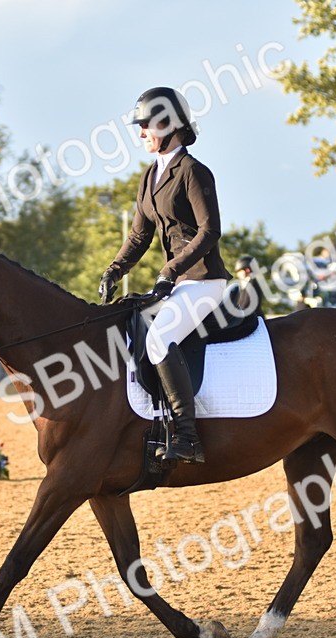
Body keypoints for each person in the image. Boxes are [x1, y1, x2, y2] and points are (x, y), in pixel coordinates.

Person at [98, 87, 230, 464]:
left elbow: (209, 231)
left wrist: (170, 271)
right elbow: (139, 235)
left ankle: (188, 436)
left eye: (146, 126)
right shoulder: (149, 176)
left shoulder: (193, 171)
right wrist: (114, 269)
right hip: (176, 283)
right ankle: (155, 424)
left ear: (170, 126)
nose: (140, 134)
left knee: (159, 339)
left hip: (204, 280)